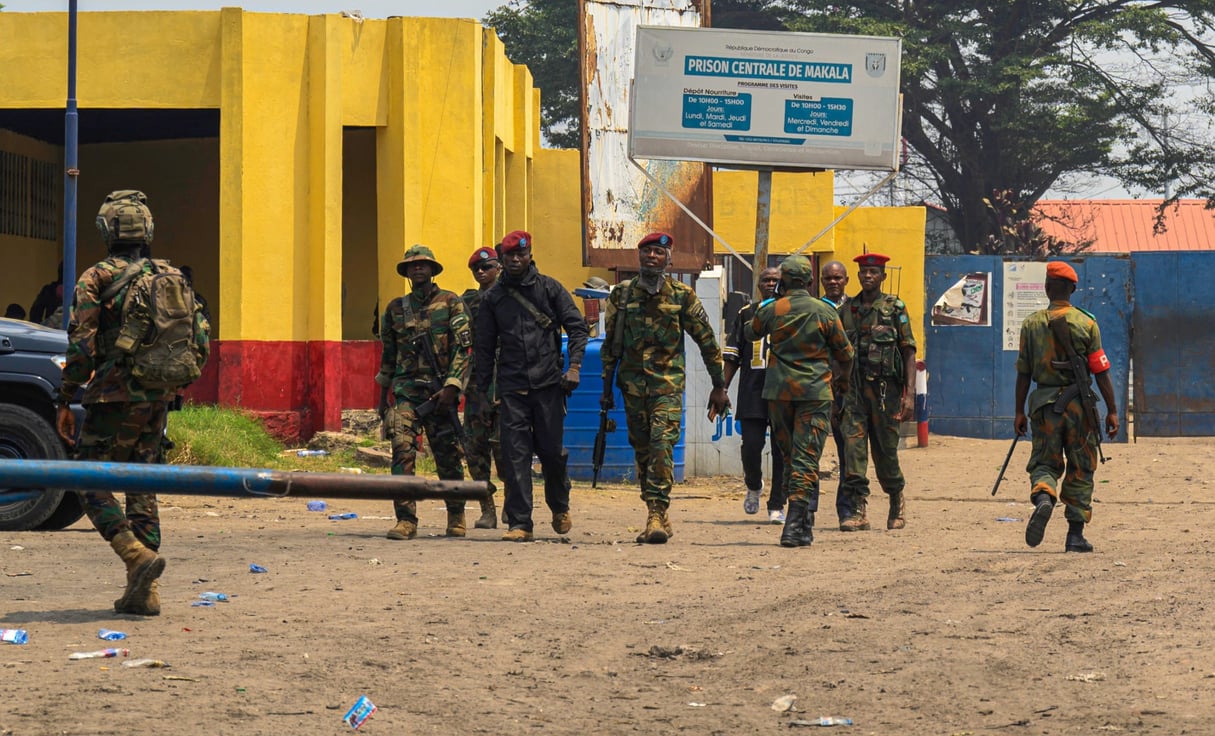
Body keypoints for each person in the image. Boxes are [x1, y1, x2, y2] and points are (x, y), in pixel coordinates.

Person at [55, 190, 210, 616]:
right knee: (142, 484)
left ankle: (133, 555)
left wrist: (65, 397)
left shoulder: (96, 278)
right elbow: (199, 341)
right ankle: (145, 592)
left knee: (88, 480)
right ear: (149, 230)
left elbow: (81, 347)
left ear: (105, 230)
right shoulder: (171, 275)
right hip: (158, 397)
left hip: (112, 395)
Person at [602, 231, 730, 544]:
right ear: (639, 256)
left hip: (667, 387)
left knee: (661, 446)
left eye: (658, 253)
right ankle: (656, 511)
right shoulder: (622, 295)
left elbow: (706, 340)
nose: (651, 257)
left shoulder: (681, 296)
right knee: (644, 453)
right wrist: (606, 386)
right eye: (646, 252)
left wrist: (719, 385)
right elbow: (610, 344)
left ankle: (656, 513)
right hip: (632, 388)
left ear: (668, 259)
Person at [473, 230, 588, 542]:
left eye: (520, 255)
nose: (514, 260)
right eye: (509, 256)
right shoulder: (493, 299)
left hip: (549, 386)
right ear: (502, 258)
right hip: (512, 391)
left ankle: (559, 505)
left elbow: (577, 328)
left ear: (529, 255)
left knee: (552, 454)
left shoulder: (550, 289)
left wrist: (574, 366)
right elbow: (483, 349)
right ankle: (520, 523)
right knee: (515, 456)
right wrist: (481, 395)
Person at [747, 255, 854, 547]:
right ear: (809, 281)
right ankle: (795, 524)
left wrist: (771, 302)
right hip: (814, 393)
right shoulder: (825, 311)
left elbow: (750, 332)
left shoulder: (772, 309)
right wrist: (842, 381)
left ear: (782, 281)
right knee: (807, 458)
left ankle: (803, 522)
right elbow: (846, 353)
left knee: (790, 457)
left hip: (779, 394)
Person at [1014, 261, 1119, 553]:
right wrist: (1112, 410)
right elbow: (1101, 371)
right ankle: (1075, 536)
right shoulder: (1086, 323)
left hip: (1043, 407)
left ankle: (1045, 495)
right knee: (1081, 467)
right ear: (1072, 289)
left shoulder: (1031, 324)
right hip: (1079, 408)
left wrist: (1019, 412)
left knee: (1044, 462)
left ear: (1047, 288)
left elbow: (1023, 372)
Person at [377, 244, 472, 540]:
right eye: (412, 265)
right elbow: (388, 358)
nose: (418, 268)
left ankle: (456, 514)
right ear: (406, 272)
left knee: (447, 457)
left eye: (423, 264)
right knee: (402, 450)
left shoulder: (451, 303)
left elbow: (464, 348)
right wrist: (382, 399)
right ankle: (406, 519)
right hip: (407, 393)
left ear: (432, 270)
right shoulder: (394, 310)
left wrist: (453, 386)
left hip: (441, 393)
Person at [838, 252, 917, 532]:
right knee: (854, 450)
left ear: (883, 276)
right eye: (863, 272)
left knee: (885, 453)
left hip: (886, 394)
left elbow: (908, 351)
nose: (867, 276)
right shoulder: (847, 310)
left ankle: (896, 499)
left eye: (873, 272)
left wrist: (909, 395)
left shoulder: (894, 308)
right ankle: (858, 510)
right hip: (854, 394)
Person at [722, 266, 787, 524]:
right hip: (753, 390)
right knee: (751, 446)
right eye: (766, 280)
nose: (771, 284)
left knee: (782, 450)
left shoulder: (791, 312)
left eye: (776, 280)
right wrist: (722, 388)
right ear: (758, 284)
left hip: (783, 391)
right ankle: (753, 484)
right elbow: (733, 355)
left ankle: (777, 504)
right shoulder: (746, 313)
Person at [461, 246, 508, 529]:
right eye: (476, 269)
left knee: (506, 449)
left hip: (506, 384)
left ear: (498, 268)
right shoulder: (467, 302)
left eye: (486, 267)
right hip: (477, 384)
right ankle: (487, 508)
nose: (481, 272)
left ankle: (512, 502)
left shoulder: (512, 296)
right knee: (474, 449)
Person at [819, 259, 854, 525]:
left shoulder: (856, 309)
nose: (833, 282)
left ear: (846, 280)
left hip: (847, 388)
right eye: (828, 278)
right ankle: (806, 511)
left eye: (838, 278)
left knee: (847, 452)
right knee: (810, 451)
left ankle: (846, 509)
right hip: (817, 387)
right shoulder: (814, 309)